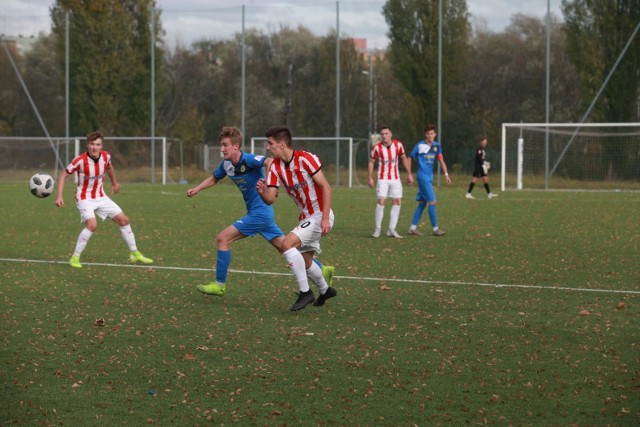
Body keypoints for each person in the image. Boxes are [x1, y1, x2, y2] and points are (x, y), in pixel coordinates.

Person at [187, 126, 334, 299]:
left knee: (223, 238)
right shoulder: (226, 165)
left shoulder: (248, 159)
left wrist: (269, 184)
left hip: (259, 214)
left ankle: (219, 285)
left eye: (225, 145)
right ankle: (321, 269)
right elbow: (214, 178)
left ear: (236, 146)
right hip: (261, 215)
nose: (222, 149)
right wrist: (197, 188)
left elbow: (269, 162)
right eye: (221, 145)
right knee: (286, 247)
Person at [256, 126, 337, 311]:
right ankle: (325, 290)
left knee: (286, 244)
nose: (268, 147)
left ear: (282, 144)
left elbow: (326, 187)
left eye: (270, 143)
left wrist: (325, 218)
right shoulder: (275, 166)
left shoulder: (305, 159)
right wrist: (262, 193)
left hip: (320, 214)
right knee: (306, 261)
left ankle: (305, 293)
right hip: (306, 217)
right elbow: (270, 199)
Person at [55, 131, 153, 268]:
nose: (95, 147)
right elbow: (64, 175)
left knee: (124, 220)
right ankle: (75, 258)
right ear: (88, 145)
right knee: (92, 225)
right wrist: (59, 195)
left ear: (102, 146)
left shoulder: (106, 156)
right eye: (92, 144)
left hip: (101, 196)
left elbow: (109, 167)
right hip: (84, 198)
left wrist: (114, 183)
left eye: (98, 144)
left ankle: (134, 253)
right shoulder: (80, 160)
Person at [367, 126, 414, 238]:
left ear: (391, 134)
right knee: (381, 201)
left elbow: (403, 158)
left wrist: (409, 174)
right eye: (382, 134)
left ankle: (391, 229)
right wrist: (370, 177)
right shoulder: (377, 148)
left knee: (397, 201)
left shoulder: (398, 145)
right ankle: (377, 229)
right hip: (382, 178)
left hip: (395, 178)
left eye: (386, 133)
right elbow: (371, 162)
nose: (384, 136)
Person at [407, 124, 451, 237]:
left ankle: (413, 228)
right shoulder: (420, 145)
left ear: (435, 134)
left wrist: (446, 174)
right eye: (427, 134)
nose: (430, 136)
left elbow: (441, 160)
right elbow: (409, 157)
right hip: (422, 177)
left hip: (429, 177)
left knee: (422, 203)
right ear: (425, 135)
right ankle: (435, 229)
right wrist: (409, 174)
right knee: (433, 201)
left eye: (432, 133)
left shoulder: (436, 146)